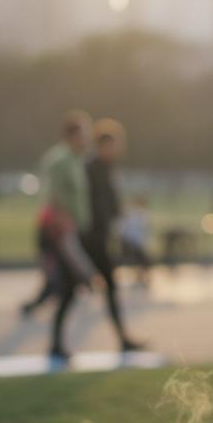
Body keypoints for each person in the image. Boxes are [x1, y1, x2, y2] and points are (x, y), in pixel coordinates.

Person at [27, 111, 94, 360]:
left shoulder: (77, 159)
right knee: (69, 284)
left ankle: (55, 339)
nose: (87, 138)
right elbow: (53, 196)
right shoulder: (60, 159)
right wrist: (63, 225)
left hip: (71, 229)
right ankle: (55, 342)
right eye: (84, 133)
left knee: (68, 286)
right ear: (72, 135)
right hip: (59, 232)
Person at [83, 119, 143, 351]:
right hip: (92, 236)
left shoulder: (106, 167)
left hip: (100, 235)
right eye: (113, 145)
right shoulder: (92, 168)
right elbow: (98, 204)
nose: (117, 149)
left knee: (104, 286)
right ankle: (123, 339)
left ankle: (123, 338)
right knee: (101, 285)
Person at [118, 195, 153, 288]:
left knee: (142, 260)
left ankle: (141, 276)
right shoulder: (134, 215)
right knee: (141, 259)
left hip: (137, 243)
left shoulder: (141, 215)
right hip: (133, 243)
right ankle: (140, 276)